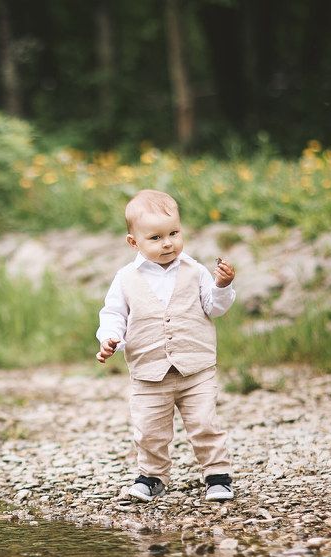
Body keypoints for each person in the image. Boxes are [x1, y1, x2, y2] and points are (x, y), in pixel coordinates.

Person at [96, 189, 237, 502]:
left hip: (196, 369)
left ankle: (217, 475)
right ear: (134, 242)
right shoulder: (125, 278)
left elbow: (214, 307)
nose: (168, 243)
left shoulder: (196, 270)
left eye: (174, 233)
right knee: (149, 430)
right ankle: (152, 476)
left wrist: (222, 286)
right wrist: (110, 339)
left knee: (204, 423)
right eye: (156, 238)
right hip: (149, 372)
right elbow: (114, 314)